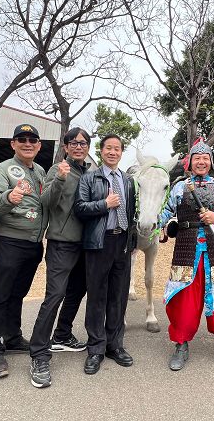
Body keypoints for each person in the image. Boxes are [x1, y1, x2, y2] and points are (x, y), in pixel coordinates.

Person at [160, 140, 214, 372]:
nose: (201, 161)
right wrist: (162, 227)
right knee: (184, 297)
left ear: (210, 162)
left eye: (205, 158)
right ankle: (181, 344)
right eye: (197, 157)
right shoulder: (178, 187)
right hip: (187, 248)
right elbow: (165, 212)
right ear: (190, 162)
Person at [0, 124, 47, 379]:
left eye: (32, 139)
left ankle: (13, 337)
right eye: (22, 139)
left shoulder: (40, 171)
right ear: (13, 144)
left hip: (33, 245)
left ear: (39, 145)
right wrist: (9, 197)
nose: (27, 143)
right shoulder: (1, 171)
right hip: (8, 242)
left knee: (17, 294)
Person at [28, 127, 91, 388]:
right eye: (73, 143)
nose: (78, 146)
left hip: (85, 245)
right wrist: (60, 179)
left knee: (77, 292)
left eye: (83, 143)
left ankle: (62, 335)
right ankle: (39, 354)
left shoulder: (88, 171)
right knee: (55, 295)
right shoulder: (59, 169)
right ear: (65, 146)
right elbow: (46, 201)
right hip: (62, 244)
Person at [74, 134, 137, 375]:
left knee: (118, 296)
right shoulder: (90, 178)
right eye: (108, 148)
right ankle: (95, 348)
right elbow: (79, 208)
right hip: (100, 242)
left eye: (117, 148)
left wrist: (131, 241)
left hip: (122, 242)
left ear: (122, 152)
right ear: (101, 151)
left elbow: (131, 213)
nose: (113, 152)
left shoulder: (128, 181)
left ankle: (115, 345)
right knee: (97, 296)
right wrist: (104, 204)